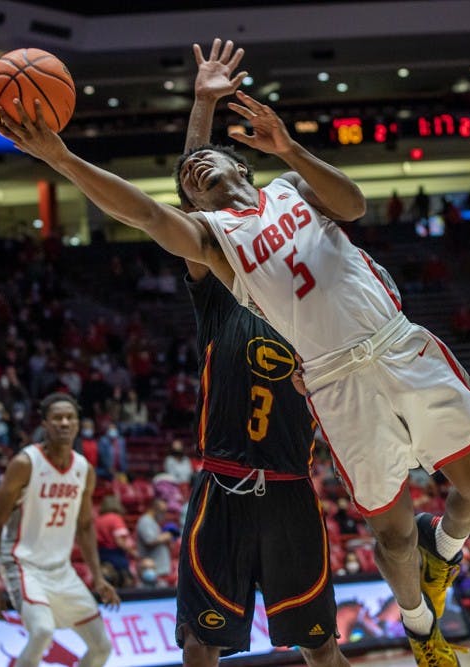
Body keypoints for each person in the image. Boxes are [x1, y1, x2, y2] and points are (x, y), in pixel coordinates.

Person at [0, 37, 470, 666]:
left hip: (393, 346)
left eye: (207, 162)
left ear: (241, 164)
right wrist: (64, 157)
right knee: (384, 537)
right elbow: (148, 214)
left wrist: (281, 141)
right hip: (327, 390)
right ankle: (419, 627)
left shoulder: (293, 186)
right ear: (194, 202)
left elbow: (353, 205)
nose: (197, 173)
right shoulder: (216, 245)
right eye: (189, 179)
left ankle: (447, 547)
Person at [173, 41, 347, 667]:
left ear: (244, 171)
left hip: (291, 488)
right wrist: (201, 104)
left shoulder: (299, 272)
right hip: (222, 485)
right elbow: (191, 192)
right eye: (199, 186)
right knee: (202, 641)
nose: (205, 185)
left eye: (217, 170)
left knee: (319, 644)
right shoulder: (218, 276)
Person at [0, 393, 119, 667]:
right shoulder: (25, 463)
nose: (64, 423)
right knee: (42, 631)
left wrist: (98, 577)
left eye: (70, 418)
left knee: (101, 648)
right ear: (45, 424)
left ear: (78, 424)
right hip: (22, 563)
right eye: (57, 418)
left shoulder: (84, 469)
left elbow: (85, 525)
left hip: (61, 570)